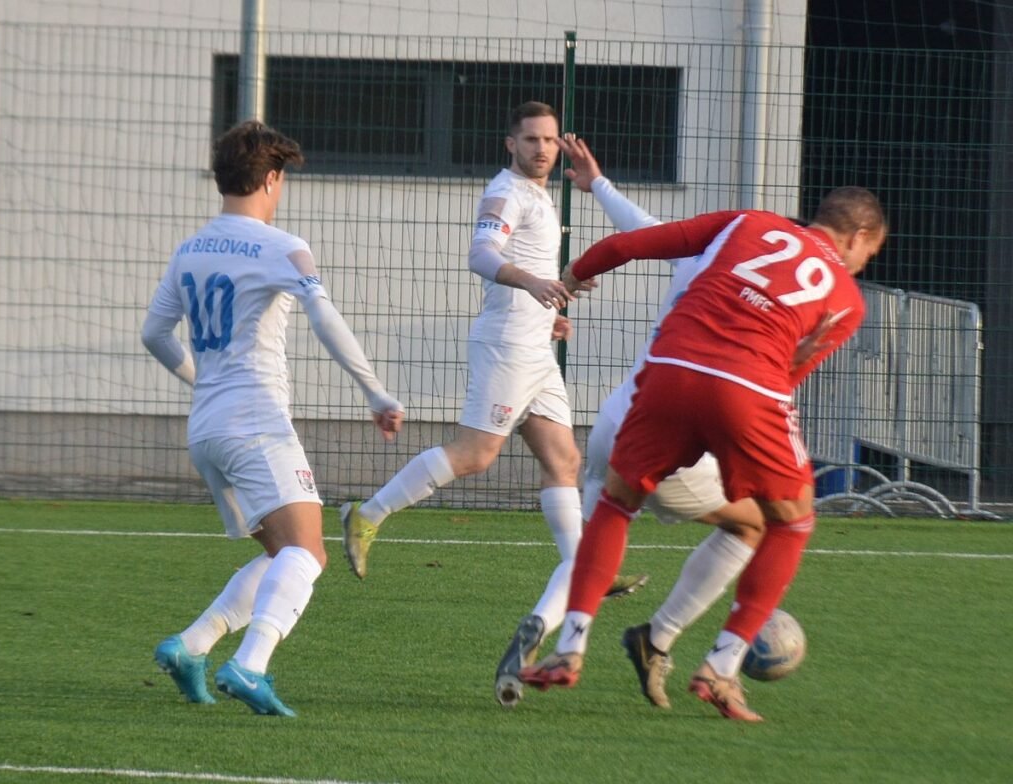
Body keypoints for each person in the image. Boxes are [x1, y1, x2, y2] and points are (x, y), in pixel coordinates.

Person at [520, 184, 887, 721]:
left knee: (616, 503)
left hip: (669, 371)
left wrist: (577, 272)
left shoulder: (748, 222)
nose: (860, 264)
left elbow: (635, 243)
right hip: (748, 390)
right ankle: (721, 664)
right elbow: (788, 377)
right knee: (791, 521)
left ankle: (571, 645)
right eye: (868, 254)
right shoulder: (847, 300)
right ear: (857, 237)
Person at [339, 101, 636, 710]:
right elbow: (481, 254)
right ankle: (366, 515)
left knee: (564, 461)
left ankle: (582, 569)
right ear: (510, 144)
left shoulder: (542, 195)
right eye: (531, 140)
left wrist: (554, 303)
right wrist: (535, 285)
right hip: (507, 349)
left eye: (549, 140)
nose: (542, 149)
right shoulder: (507, 192)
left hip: (535, 347)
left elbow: (532, 274)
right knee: (476, 455)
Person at [142, 120, 405, 717]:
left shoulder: (190, 250)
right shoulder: (281, 246)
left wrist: (202, 381)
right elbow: (324, 317)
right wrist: (375, 392)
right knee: (308, 554)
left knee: (280, 553)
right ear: (271, 179)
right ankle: (250, 665)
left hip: (207, 429)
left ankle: (191, 646)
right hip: (256, 424)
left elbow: (154, 334)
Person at [559, 135, 765, 709]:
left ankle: (555, 641)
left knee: (590, 552)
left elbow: (642, 229)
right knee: (754, 527)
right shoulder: (760, 297)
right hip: (664, 439)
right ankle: (662, 640)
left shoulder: (705, 257)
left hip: (612, 422)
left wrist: (598, 185)